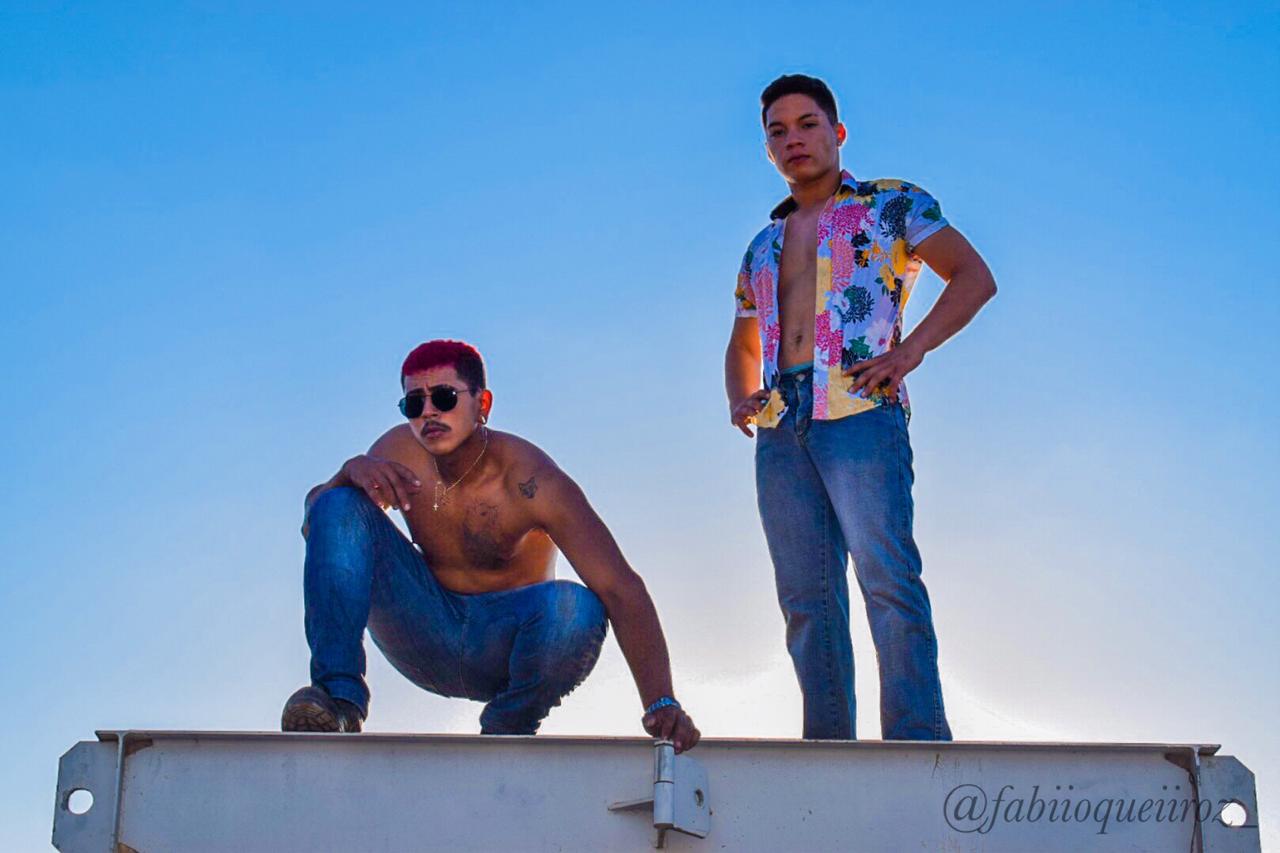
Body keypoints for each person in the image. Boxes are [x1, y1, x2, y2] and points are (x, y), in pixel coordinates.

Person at [724, 74, 997, 740]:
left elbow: (974, 277)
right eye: (777, 131)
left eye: (807, 124)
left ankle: (917, 741)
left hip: (862, 411)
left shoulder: (892, 204)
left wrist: (911, 351)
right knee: (806, 599)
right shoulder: (761, 245)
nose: (793, 139)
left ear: (837, 132)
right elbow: (743, 336)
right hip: (781, 426)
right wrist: (739, 395)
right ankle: (827, 751)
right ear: (767, 150)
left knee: (888, 578)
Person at [283, 339, 699, 750]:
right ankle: (339, 704)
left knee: (576, 607)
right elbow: (320, 526)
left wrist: (662, 702)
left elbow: (621, 588)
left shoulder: (531, 479)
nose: (428, 412)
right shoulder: (396, 451)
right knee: (338, 501)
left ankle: (508, 727)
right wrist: (346, 474)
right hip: (424, 630)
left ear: (482, 404)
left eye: (444, 398)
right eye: (414, 403)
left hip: (505, 646)